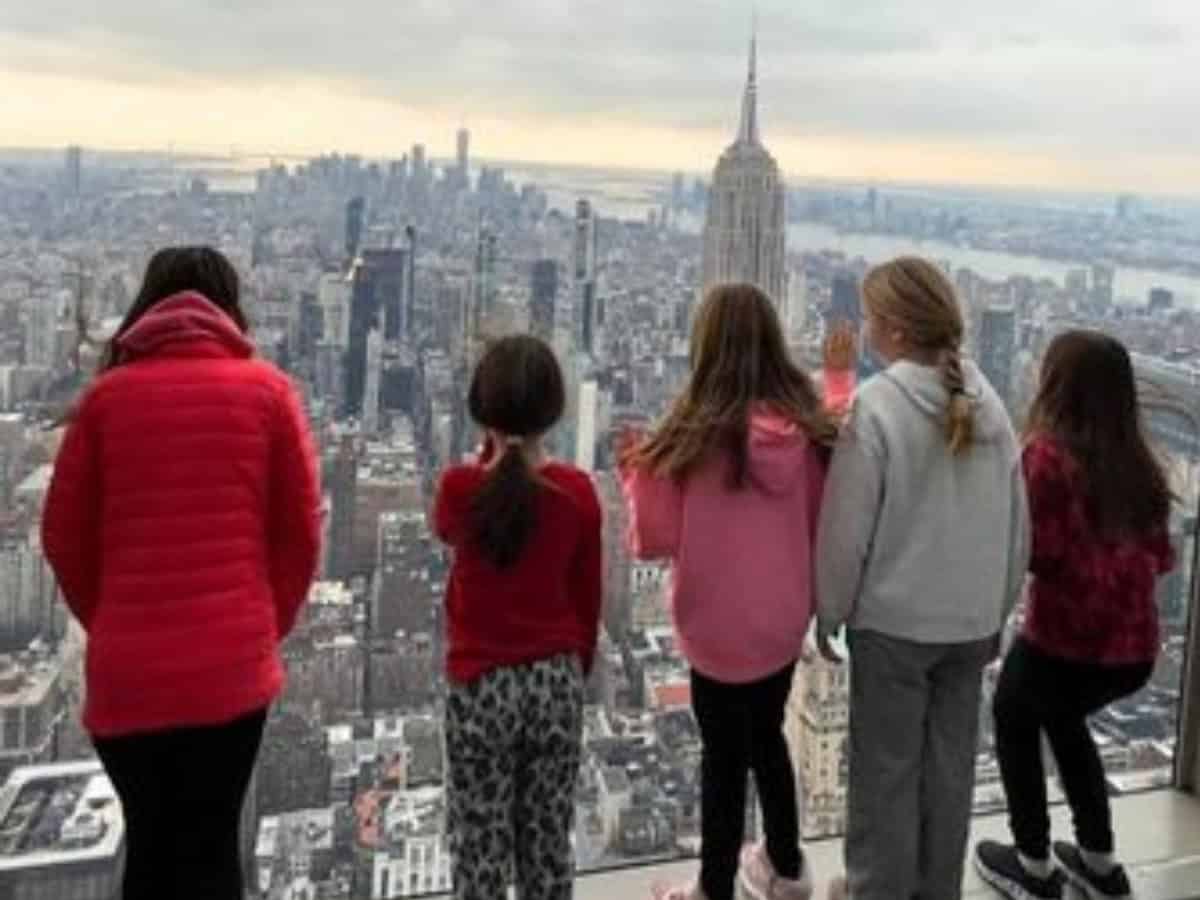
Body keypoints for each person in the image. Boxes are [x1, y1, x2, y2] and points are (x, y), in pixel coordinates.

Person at [41, 246, 322, 900]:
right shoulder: (269, 393)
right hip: (231, 673)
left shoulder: (105, 403)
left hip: (129, 676)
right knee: (213, 850)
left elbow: (62, 539)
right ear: (230, 309)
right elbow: (302, 535)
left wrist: (112, 623)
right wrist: (257, 625)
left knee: (152, 856)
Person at [816, 256, 1029, 900]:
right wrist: (998, 612)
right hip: (970, 626)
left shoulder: (877, 408)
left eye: (873, 315)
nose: (866, 326)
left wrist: (829, 612)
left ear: (898, 331)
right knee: (949, 774)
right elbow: (1018, 530)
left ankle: (877, 891)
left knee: (886, 778)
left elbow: (845, 531)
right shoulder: (989, 402)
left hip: (895, 627)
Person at [619, 283, 839, 900]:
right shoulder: (806, 436)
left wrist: (637, 474)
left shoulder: (688, 436)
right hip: (779, 626)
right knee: (768, 739)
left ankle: (715, 888)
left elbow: (652, 541)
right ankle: (788, 868)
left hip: (713, 628)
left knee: (722, 761)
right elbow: (826, 522)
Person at [974, 330, 1176, 900]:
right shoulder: (1141, 464)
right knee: (1064, 721)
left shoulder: (1048, 458)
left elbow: (1036, 552)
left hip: (1066, 642)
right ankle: (1099, 862)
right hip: (1133, 650)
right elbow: (1161, 556)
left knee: (1013, 715)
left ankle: (1033, 866)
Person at [432, 335, 603, 900]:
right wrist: (573, 670)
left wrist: (489, 453)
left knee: (480, 845)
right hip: (552, 681)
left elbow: (448, 526)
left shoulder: (459, 490)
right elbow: (587, 597)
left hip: (482, 684)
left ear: (481, 409)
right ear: (553, 411)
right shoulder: (577, 493)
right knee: (547, 840)